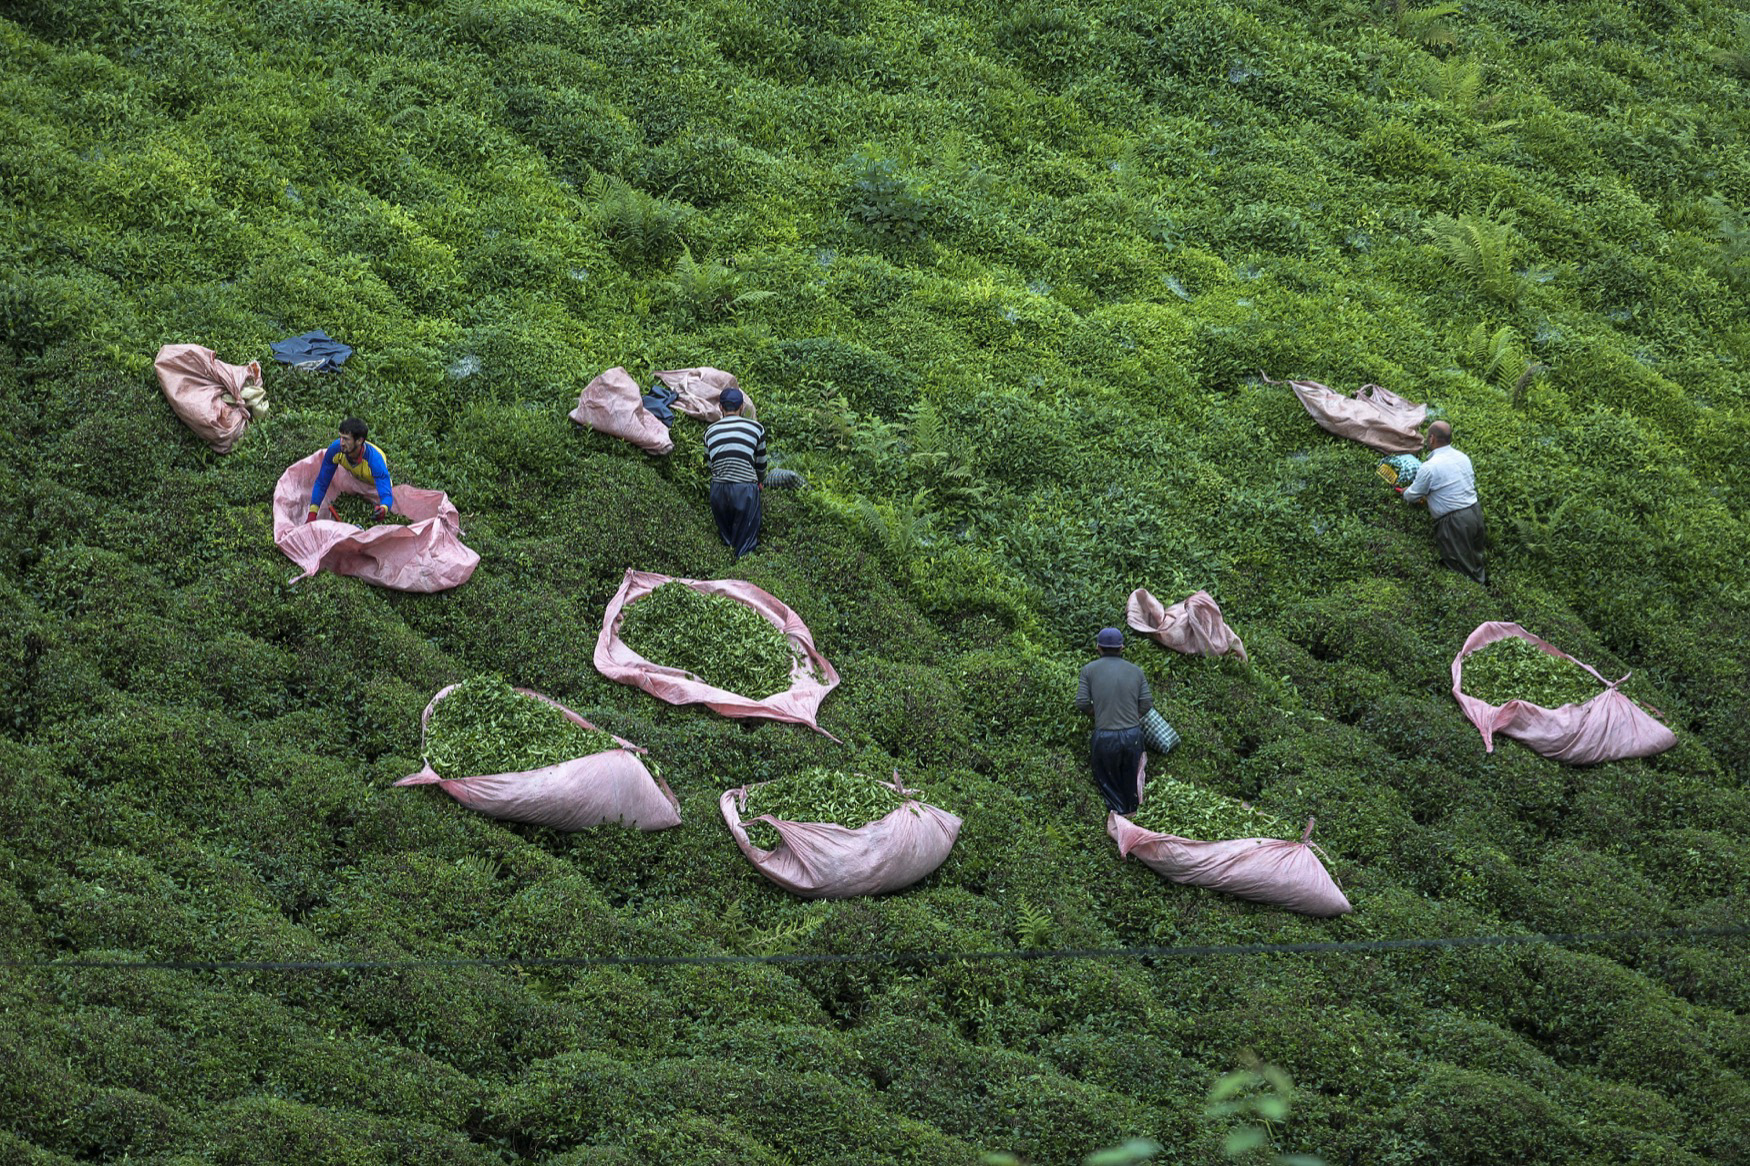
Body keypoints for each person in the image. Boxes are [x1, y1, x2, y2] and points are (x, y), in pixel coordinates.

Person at [1075, 627, 1154, 815]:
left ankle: (1118, 821)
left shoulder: (1088, 670)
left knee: (1109, 784)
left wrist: (1098, 713)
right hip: (1132, 735)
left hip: (1105, 737)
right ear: (1122, 648)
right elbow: (1147, 702)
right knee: (1132, 784)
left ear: (1098, 648)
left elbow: (1082, 702)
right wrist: (1133, 717)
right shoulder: (1136, 671)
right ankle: (1135, 818)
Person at [1400, 420, 1486, 584]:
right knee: (1475, 561)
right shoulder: (1462, 457)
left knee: (1461, 569)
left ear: (1432, 438)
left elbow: (1412, 496)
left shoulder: (1430, 466)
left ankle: (1474, 603)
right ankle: (1483, 592)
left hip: (1455, 522)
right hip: (1475, 512)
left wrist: (1406, 492)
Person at [703, 388, 766, 558]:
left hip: (718, 491)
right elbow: (761, 464)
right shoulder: (756, 428)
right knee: (745, 545)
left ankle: (725, 568)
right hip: (745, 491)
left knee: (727, 541)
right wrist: (759, 481)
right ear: (742, 407)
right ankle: (743, 573)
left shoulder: (709, 432)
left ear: (721, 407)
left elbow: (710, 465)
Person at [308, 417, 394, 524]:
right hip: (355, 477)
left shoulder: (375, 461)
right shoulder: (335, 450)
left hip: (374, 485)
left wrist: (383, 509)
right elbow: (322, 481)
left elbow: (386, 493)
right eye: (340, 437)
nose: (342, 443)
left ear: (359, 441)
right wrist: (312, 514)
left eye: (346, 439)